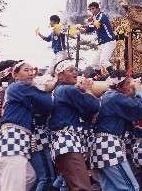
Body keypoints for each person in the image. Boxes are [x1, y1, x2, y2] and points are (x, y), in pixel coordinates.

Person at [0, 61, 54, 191]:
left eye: (32, 70)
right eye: (26, 70)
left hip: (10, 140)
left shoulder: (16, 89)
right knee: (14, 185)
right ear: (15, 74)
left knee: (29, 177)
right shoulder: (19, 86)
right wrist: (53, 84)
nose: (31, 73)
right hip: (13, 140)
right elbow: (47, 102)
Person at [90, 70, 142, 191]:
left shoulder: (107, 95)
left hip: (100, 146)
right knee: (131, 188)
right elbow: (141, 110)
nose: (129, 86)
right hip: (109, 146)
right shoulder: (115, 97)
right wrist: (138, 91)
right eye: (127, 83)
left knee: (110, 188)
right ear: (118, 86)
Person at [49, 60, 100, 191]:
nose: (75, 73)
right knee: (81, 186)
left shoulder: (60, 90)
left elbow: (85, 113)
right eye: (70, 70)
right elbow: (93, 106)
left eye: (75, 69)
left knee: (69, 185)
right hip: (67, 142)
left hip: (65, 142)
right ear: (60, 76)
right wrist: (88, 90)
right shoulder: (67, 89)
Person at [81, 2, 116, 75]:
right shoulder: (95, 18)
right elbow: (90, 29)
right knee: (95, 63)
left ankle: (114, 76)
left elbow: (96, 25)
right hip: (102, 43)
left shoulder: (101, 15)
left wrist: (85, 26)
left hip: (109, 41)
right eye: (90, 9)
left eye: (93, 8)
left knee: (104, 60)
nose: (92, 11)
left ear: (98, 8)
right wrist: (81, 30)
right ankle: (98, 76)